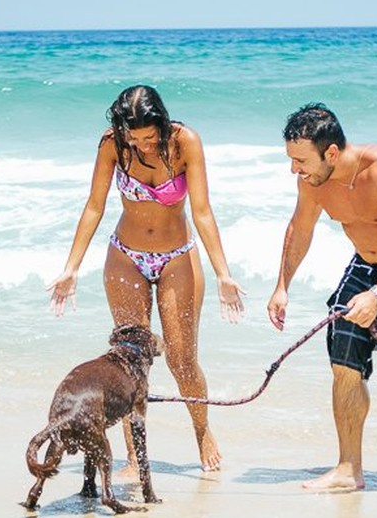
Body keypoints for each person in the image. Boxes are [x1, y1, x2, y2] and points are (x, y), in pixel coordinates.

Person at [48, 85, 245, 472]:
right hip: (126, 255)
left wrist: (223, 273)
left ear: (162, 124)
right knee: (129, 361)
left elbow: (202, 211)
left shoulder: (186, 142)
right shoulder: (112, 145)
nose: (143, 146)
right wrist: (71, 267)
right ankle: (135, 454)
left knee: (182, 360)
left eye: (150, 138)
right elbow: (94, 206)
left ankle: (202, 430)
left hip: (177, 257)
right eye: (134, 138)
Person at [266, 103, 377, 492]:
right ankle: (349, 468)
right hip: (366, 264)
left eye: (301, 160)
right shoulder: (313, 182)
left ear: (331, 153)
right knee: (344, 361)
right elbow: (300, 229)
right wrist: (282, 285)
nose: (294, 170)